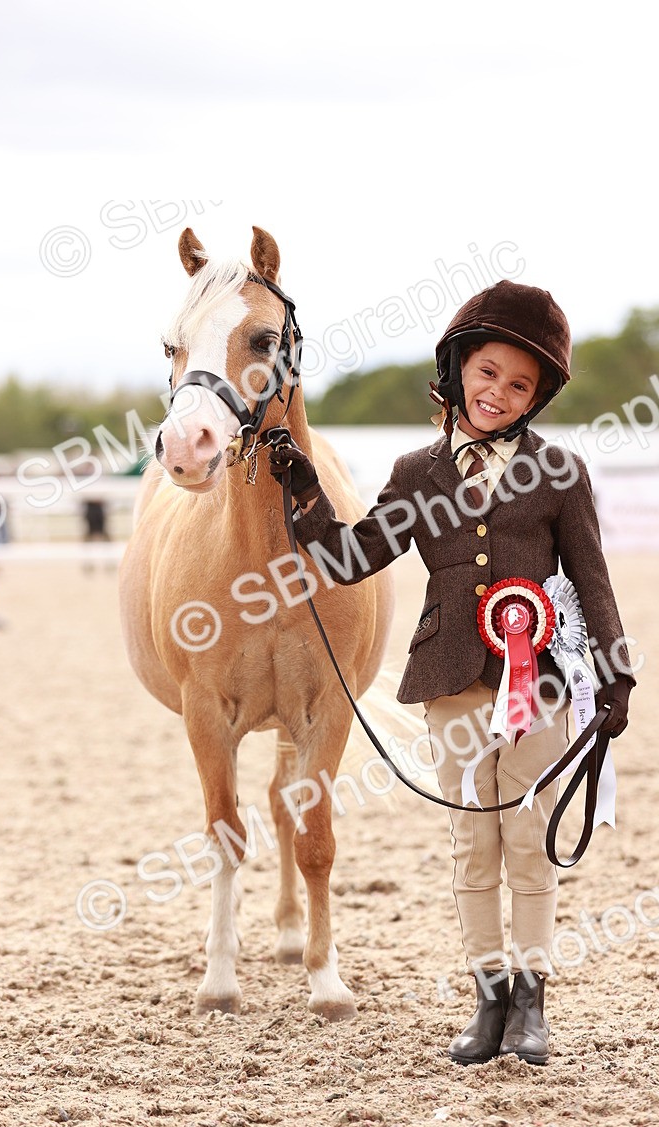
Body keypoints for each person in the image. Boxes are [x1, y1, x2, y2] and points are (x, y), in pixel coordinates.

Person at [268, 280, 635, 1066]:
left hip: (537, 685)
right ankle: (489, 996)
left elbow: (593, 580)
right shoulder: (417, 470)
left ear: (537, 397)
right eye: (489, 372)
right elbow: (351, 557)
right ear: (461, 365)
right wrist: (304, 492)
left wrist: (616, 676)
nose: (499, 392)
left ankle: (533, 997)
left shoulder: (560, 473)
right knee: (472, 845)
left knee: (528, 838)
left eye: (520, 384)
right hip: (449, 679)